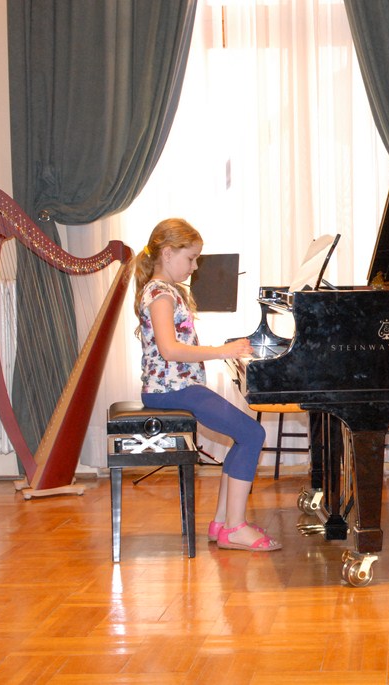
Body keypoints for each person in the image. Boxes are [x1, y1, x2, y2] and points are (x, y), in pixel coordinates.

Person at [133, 217, 280, 552]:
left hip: (178, 386)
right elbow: (169, 349)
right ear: (167, 254)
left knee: (245, 435)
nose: (195, 266)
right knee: (252, 434)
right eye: (191, 258)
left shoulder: (166, 291)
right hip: (171, 390)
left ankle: (222, 523)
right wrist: (222, 351)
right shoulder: (159, 293)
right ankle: (235, 528)